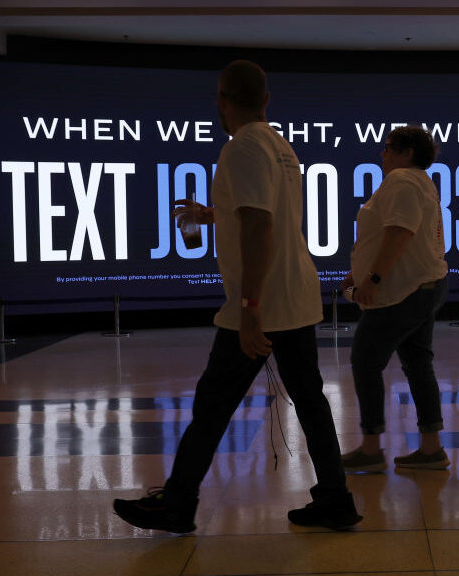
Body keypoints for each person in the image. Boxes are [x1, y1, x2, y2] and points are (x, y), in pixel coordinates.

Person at [113, 60, 361, 532]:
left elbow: (260, 225)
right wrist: (216, 213)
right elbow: (262, 213)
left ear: (222, 99)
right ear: (267, 101)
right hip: (296, 295)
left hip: (262, 303)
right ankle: (335, 498)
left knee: (212, 405)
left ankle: (177, 503)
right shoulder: (278, 145)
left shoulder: (241, 147)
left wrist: (248, 310)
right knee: (310, 401)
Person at [339, 126, 450, 473]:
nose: (382, 154)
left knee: (365, 361)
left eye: (387, 147)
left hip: (402, 290)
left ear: (406, 151)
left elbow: (400, 233)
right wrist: (358, 271)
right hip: (423, 285)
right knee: (418, 364)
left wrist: (372, 278)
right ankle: (431, 447)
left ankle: (371, 448)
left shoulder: (401, 180)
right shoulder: (418, 181)